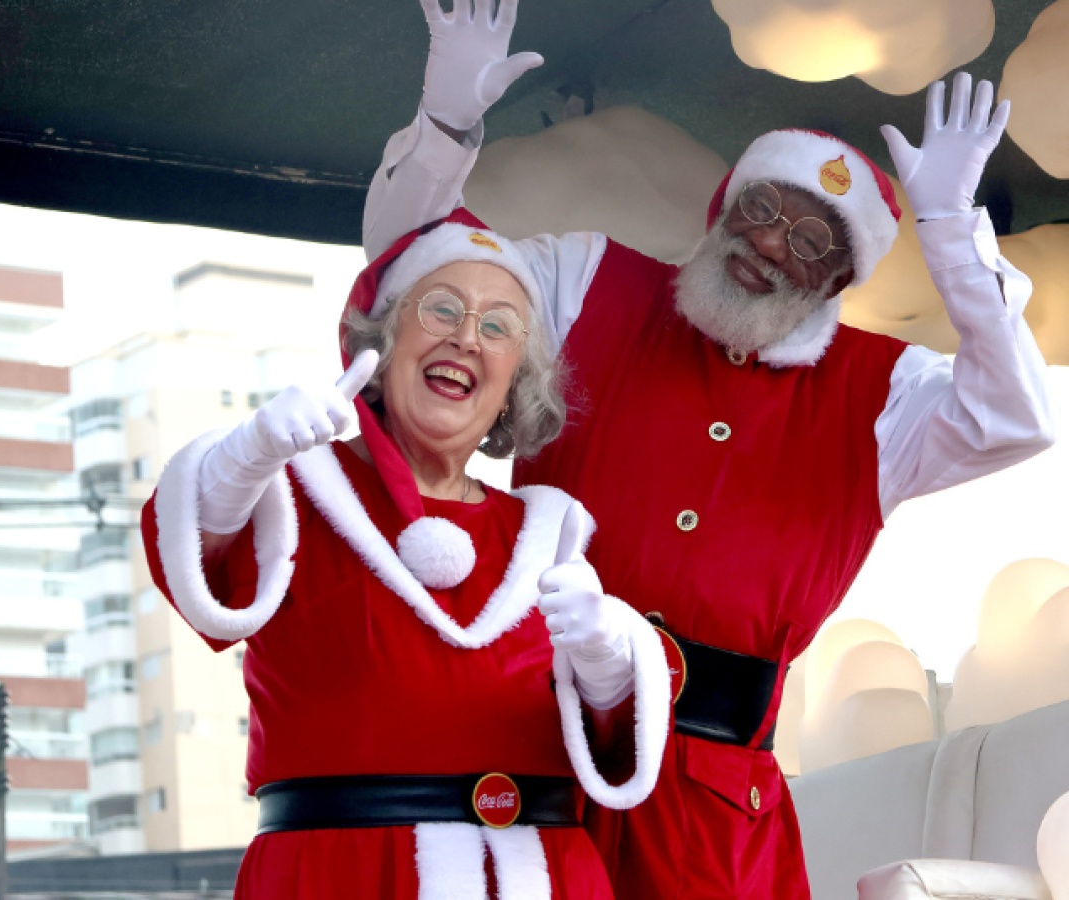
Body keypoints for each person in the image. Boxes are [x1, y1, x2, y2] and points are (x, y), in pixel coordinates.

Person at [359, 2, 1057, 897]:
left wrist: (955, 240)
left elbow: (1018, 417)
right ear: (723, 203)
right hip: (535, 749)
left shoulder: (886, 391)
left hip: (712, 808)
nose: (769, 244)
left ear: (839, 282)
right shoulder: (586, 278)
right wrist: (447, 125)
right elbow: (420, 273)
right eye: (761, 208)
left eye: (811, 243)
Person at [140, 221, 672, 900]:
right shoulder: (294, 495)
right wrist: (243, 458)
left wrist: (608, 664)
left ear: (515, 382)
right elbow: (189, 562)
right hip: (342, 877)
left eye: (499, 326)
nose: (467, 336)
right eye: (442, 308)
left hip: (543, 876)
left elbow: (613, 756)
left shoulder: (552, 535)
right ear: (382, 341)